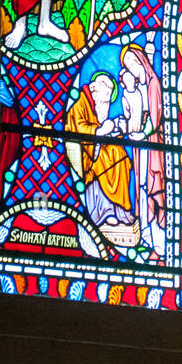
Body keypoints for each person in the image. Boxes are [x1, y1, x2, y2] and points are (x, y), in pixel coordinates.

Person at [65, 73, 137, 243]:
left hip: (96, 148)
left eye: (108, 101)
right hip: (85, 154)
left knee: (120, 157)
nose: (106, 105)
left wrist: (113, 131)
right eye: (104, 100)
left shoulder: (94, 104)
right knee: (112, 157)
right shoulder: (80, 104)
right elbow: (78, 129)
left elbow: (100, 127)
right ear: (93, 90)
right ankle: (106, 211)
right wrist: (101, 131)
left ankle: (119, 211)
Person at [120, 44, 165, 258]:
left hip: (153, 142)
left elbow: (155, 117)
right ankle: (147, 240)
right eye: (127, 65)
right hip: (143, 145)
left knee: (152, 188)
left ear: (142, 61)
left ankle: (160, 246)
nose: (131, 68)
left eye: (133, 62)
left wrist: (143, 133)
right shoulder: (138, 88)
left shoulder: (154, 83)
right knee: (142, 189)